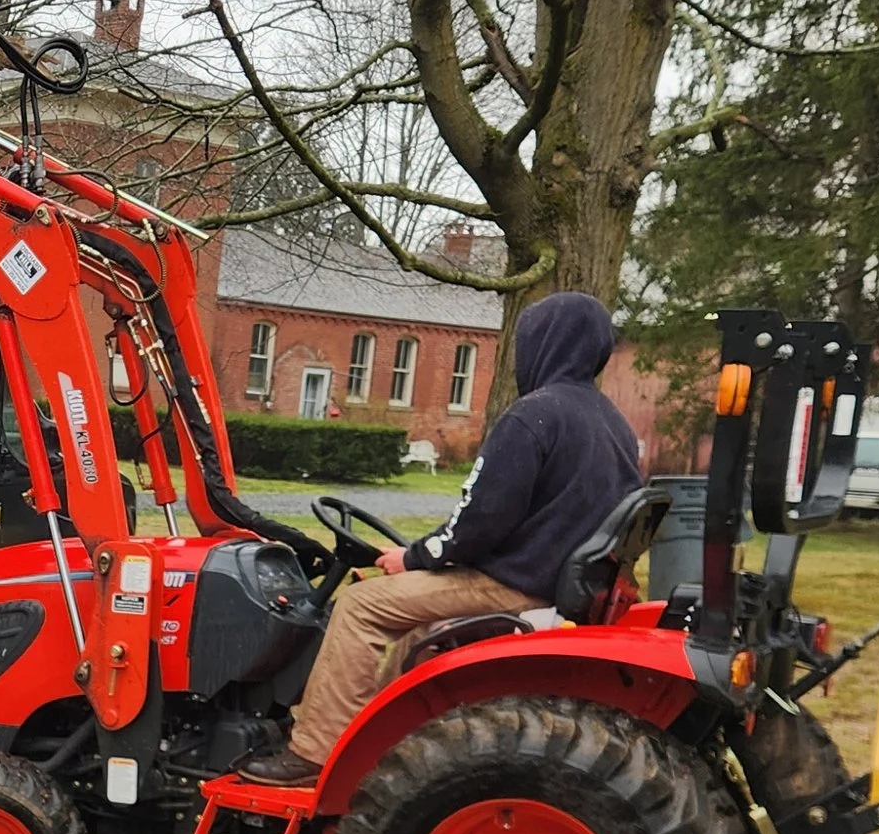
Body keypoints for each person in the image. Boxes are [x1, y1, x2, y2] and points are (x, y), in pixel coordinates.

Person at [240, 289, 640, 786]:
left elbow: (479, 524)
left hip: (515, 584)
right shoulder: (612, 423)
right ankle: (383, 748)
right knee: (409, 620)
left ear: (545, 345)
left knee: (360, 605)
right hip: (554, 579)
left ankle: (315, 752)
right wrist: (419, 556)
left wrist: (412, 558)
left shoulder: (534, 416)